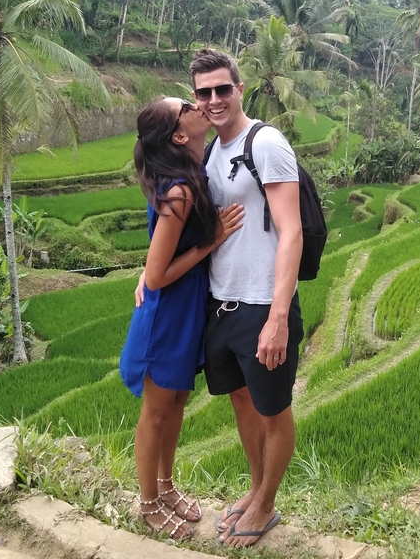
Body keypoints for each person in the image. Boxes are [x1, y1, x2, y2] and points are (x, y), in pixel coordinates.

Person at [190, 48, 305, 548]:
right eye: (204, 92)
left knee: (273, 410)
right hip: (224, 301)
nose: (214, 100)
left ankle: (267, 503)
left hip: (263, 304)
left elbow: (292, 232)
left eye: (222, 89)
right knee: (241, 400)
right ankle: (255, 487)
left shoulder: (266, 143)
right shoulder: (213, 152)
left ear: (240, 89)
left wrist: (277, 316)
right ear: (196, 99)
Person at [120, 96, 244, 542]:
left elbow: (157, 257)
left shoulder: (194, 171)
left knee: (174, 406)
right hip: (167, 314)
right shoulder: (180, 190)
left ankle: (167, 488)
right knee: (156, 412)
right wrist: (212, 241)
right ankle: (148, 504)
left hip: (186, 305)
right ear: (178, 134)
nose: (199, 105)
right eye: (187, 106)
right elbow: (155, 277)